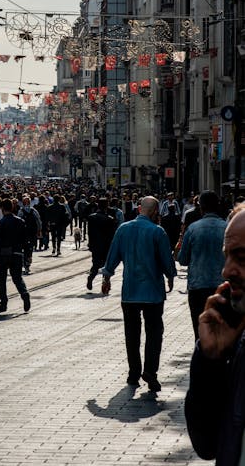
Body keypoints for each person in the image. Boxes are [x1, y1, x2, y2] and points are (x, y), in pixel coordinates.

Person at [185, 208, 245, 465]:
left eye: (241, 258)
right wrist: (211, 360)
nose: (227, 271)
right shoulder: (241, 345)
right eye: (227, 257)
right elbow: (207, 444)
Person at [102, 195, 177, 391]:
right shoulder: (157, 232)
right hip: (152, 293)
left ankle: (133, 372)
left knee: (132, 334)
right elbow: (166, 262)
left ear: (139, 209)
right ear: (154, 212)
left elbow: (112, 257)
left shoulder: (123, 229)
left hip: (130, 292)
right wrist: (170, 276)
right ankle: (150, 372)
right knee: (154, 333)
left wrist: (106, 277)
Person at [177, 189, 226, 338]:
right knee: (221, 332)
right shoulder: (227, 228)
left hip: (197, 286)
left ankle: (202, 358)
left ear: (200, 207)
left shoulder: (193, 229)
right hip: (222, 287)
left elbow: (183, 259)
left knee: (200, 332)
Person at [0, 198, 31, 313]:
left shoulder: (0, 224)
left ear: (2, 209)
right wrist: (28, 254)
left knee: (1, 279)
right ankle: (24, 294)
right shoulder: (20, 222)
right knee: (17, 278)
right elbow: (26, 240)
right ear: (12, 207)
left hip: (3, 255)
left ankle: (3, 303)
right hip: (17, 254)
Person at [86, 197, 118, 291]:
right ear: (107, 206)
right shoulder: (110, 219)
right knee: (106, 265)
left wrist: (90, 244)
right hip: (107, 245)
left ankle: (91, 277)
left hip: (95, 245)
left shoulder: (91, 217)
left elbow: (89, 232)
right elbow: (113, 234)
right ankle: (106, 282)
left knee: (95, 264)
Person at [17, 195, 41, 274]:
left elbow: (18, 221)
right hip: (32, 233)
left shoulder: (21, 211)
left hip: (23, 233)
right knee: (30, 249)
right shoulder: (33, 210)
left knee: (23, 249)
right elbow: (38, 221)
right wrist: (39, 230)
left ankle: (24, 263)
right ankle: (28, 263)